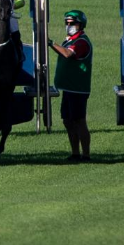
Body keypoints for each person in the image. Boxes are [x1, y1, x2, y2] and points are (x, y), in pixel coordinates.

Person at [49, 10, 94, 162]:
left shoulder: (81, 42)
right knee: (68, 121)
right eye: (67, 23)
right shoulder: (69, 40)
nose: (69, 26)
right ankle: (75, 153)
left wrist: (50, 43)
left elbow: (68, 54)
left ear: (80, 25)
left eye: (72, 23)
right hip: (68, 89)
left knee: (79, 121)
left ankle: (86, 154)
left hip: (78, 89)